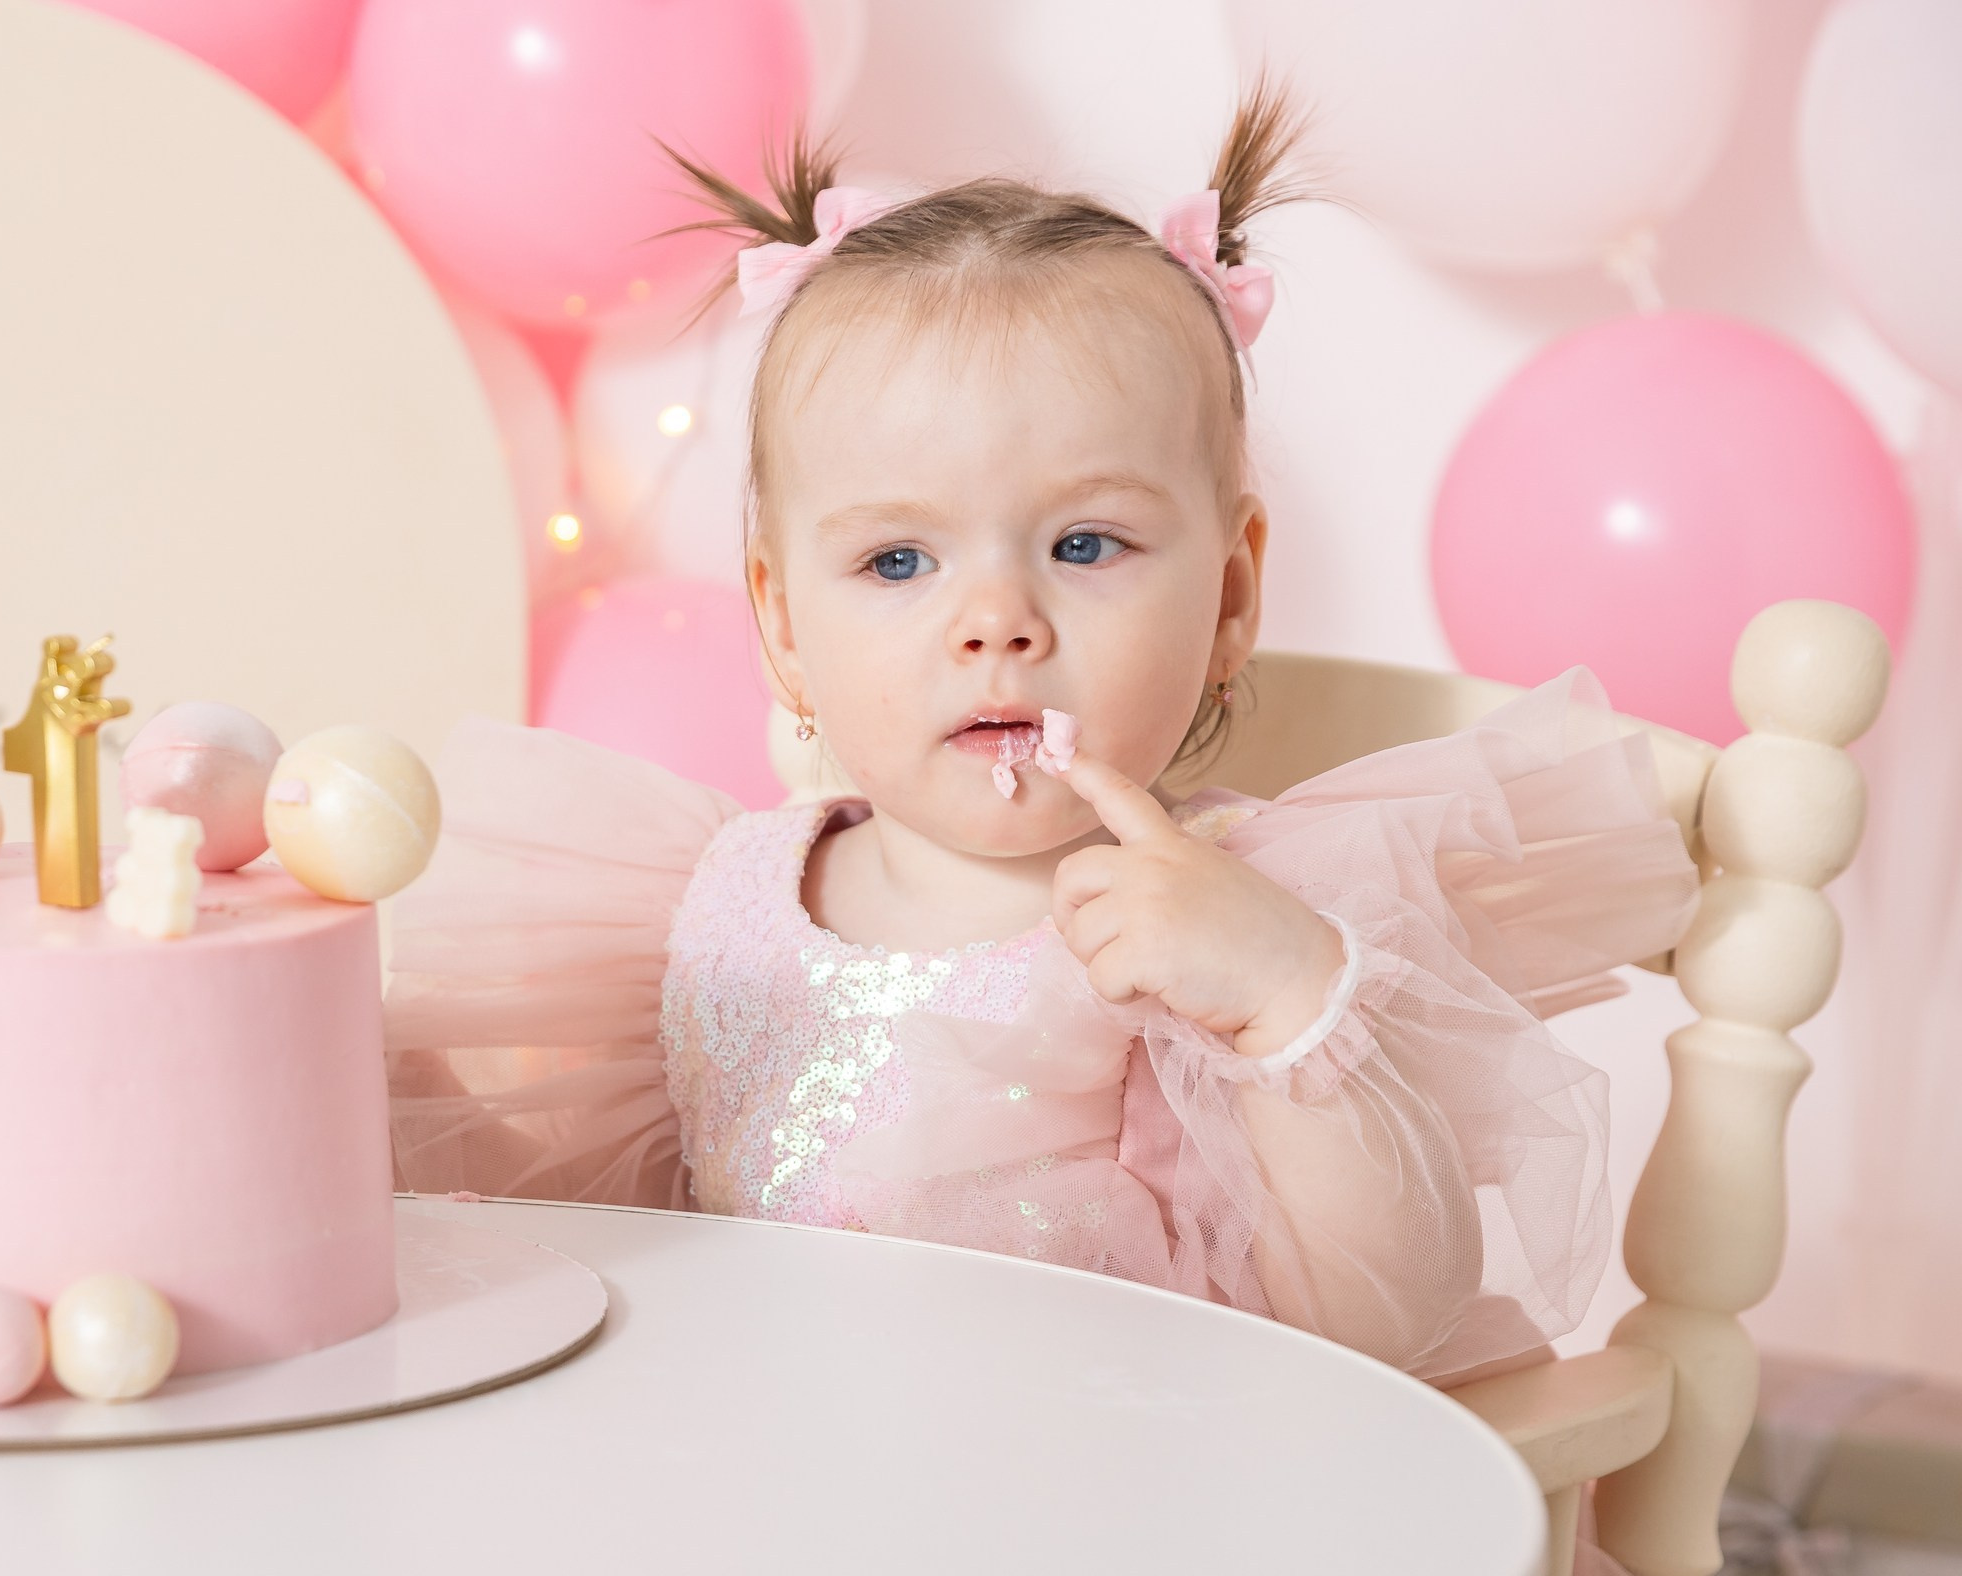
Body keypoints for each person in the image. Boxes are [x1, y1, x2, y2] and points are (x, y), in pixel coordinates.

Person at [386, 80, 1698, 1388]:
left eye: (1083, 545)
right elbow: (589, 1252)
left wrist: (1291, 1005)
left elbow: (1385, 1319)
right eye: (899, 561)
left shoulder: (1235, 919)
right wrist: (368, 1073)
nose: (996, 622)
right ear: (783, 624)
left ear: (1231, 594)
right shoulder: (706, 908)